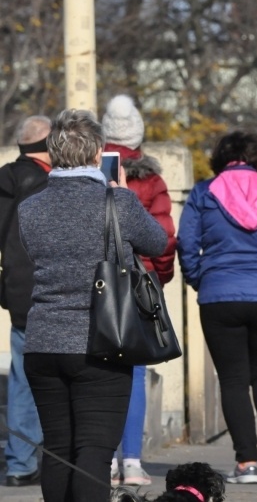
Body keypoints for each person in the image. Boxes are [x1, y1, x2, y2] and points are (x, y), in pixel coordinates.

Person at [17, 109, 167, 502]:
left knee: (58, 450)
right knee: (94, 453)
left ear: (53, 153)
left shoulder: (30, 208)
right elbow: (157, 242)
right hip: (101, 340)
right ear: (99, 152)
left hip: (43, 342)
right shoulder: (116, 203)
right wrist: (122, 196)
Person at [177, 130, 257, 484]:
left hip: (220, 295)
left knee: (232, 379)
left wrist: (200, 278)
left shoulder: (203, 193)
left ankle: (246, 463)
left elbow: (186, 243)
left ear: (220, 158)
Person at [101, 94, 177, 487]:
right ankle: (131, 460)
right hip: (137, 281)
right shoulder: (151, 179)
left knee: (98, 370)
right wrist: (159, 278)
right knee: (134, 371)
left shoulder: (91, 173)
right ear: (138, 134)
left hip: (97, 283)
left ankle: (105, 461)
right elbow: (163, 237)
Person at [0, 116, 50, 487]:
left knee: (20, 378)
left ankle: (19, 464)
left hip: (16, 290)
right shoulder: (49, 182)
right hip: (51, 289)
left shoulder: (5, 178)